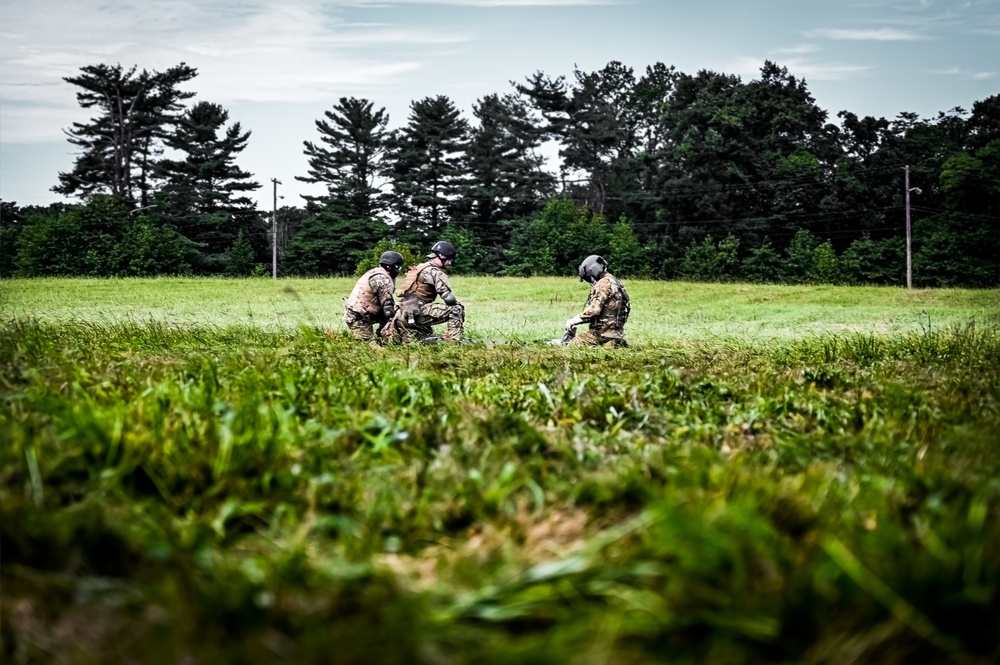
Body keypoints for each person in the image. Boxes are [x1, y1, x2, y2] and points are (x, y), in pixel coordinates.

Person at [381, 240, 465, 344]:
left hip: (402, 313)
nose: (450, 263)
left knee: (422, 340)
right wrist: (456, 303)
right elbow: (448, 298)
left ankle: (413, 336)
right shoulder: (435, 272)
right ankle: (455, 342)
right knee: (456, 309)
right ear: (441, 256)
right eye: (449, 259)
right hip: (416, 312)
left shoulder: (418, 268)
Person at [563, 254, 630, 348]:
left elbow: (594, 311)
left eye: (589, 278)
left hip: (600, 335)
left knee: (570, 346)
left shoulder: (603, 283)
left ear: (592, 270)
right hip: (616, 336)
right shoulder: (616, 282)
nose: (591, 282)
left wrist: (572, 321)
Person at [343, 251, 404, 346]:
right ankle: (387, 339)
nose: (399, 270)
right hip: (358, 317)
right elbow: (388, 309)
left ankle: (384, 337)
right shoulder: (382, 278)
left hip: (363, 313)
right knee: (370, 347)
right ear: (391, 266)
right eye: (398, 267)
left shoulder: (376, 272)